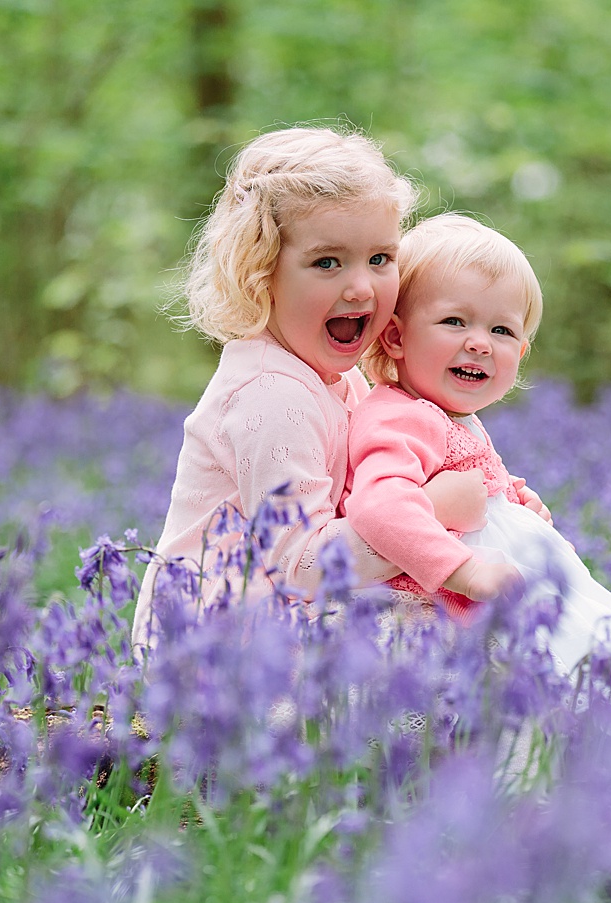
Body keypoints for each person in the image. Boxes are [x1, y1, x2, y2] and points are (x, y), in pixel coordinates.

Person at [343, 214, 611, 734]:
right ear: (395, 337)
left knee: (593, 664)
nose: (480, 343)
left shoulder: (448, 416)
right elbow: (380, 506)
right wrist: (460, 568)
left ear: (522, 353)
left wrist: (512, 499)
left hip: (491, 599)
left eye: (502, 330)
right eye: (455, 322)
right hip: (441, 606)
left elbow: (470, 477)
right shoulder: (400, 415)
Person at [132, 128, 485, 645]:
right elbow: (301, 566)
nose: (362, 286)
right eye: (327, 262)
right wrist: (431, 507)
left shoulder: (339, 381)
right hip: (213, 644)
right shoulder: (272, 394)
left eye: (381, 259)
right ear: (260, 272)